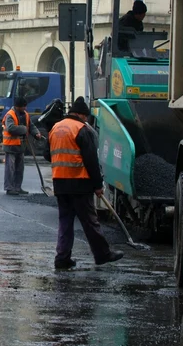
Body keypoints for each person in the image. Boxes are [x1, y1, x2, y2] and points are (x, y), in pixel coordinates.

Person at [46, 97, 124, 269]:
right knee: (90, 221)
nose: (87, 120)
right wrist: (98, 185)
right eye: (86, 117)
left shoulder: (56, 128)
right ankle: (103, 255)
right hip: (79, 183)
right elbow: (91, 160)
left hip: (60, 183)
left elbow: (47, 153)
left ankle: (62, 258)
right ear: (81, 115)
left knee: (65, 222)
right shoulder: (81, 129)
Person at [2, 96, 41, 196]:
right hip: (10, 146)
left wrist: (36, 133)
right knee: (10, 168)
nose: (25, 108)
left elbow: (31, 126)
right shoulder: (10, 115)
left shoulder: (26, 115)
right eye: (23, 106)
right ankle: (9, 188)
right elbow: (11, 128)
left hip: (21, 145)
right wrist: (23, 129)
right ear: (18, 106)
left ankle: (17, 187)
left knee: (19, 168)